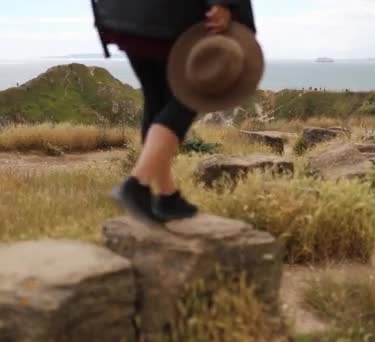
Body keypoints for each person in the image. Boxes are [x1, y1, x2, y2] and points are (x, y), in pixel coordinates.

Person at [91, 1, 258, 224]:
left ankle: (166, 196)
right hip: (172, 16)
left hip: (122, 15)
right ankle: (137, 184)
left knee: (157, 97)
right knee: (193, 93)